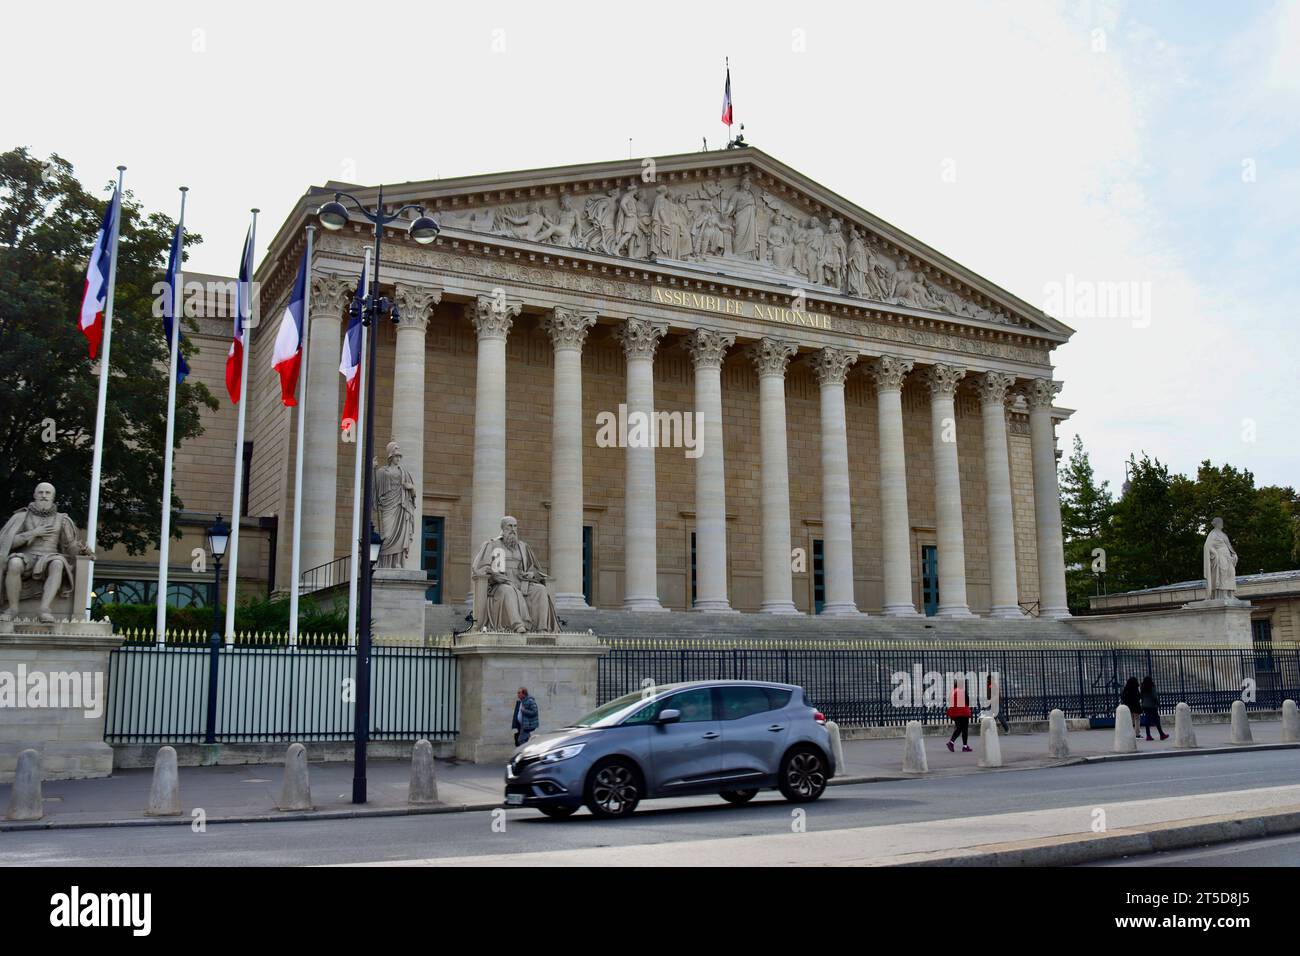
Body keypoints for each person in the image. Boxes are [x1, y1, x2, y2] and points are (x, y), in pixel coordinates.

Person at [946, 679, 972, 753]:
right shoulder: (962, 691)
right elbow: (967, 701)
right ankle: (964, 746)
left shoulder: (952, 692)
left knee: (959, 728)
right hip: (963, 712)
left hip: (955, 713)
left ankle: (952, 743)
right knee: (964, 729)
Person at [1140, 675, 1169, 741]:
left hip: (1145, 705)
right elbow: (1154, 697)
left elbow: (1141, 696)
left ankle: (1148, 735)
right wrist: (1158, 703)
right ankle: (1161, 734)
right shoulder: (1152, 687)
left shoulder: (1142, 688)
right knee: (1156, 720)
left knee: (1147, 720)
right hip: (1152, 706)